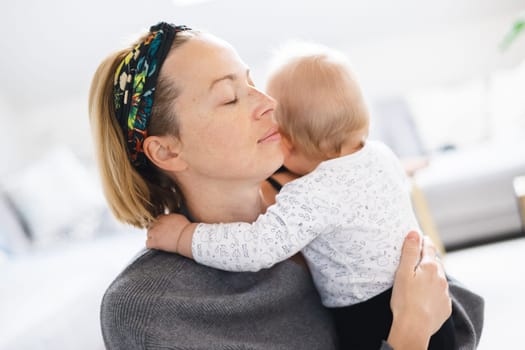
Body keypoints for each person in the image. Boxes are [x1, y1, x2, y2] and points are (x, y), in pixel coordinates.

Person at [89, 22, 483, 349]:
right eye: (229, 98)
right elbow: (432, 313)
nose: (269, 103)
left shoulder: (311, 194)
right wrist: (410, 332)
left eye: (252, 83)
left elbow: (462, 316)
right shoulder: (150, 308)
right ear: (167, 152)